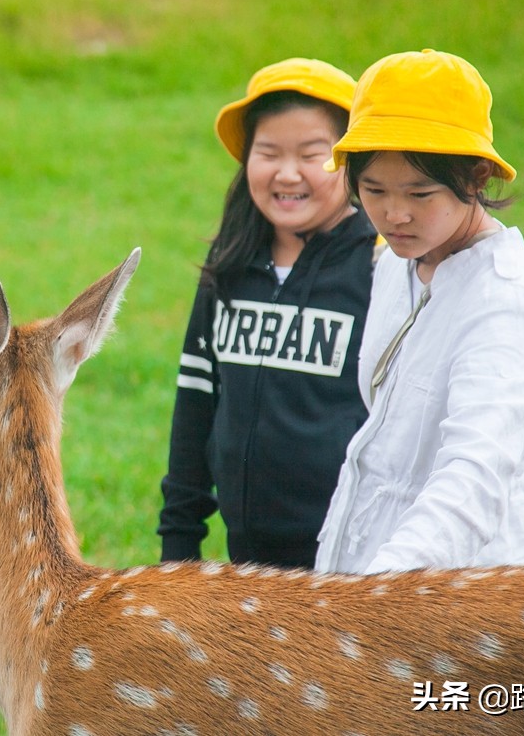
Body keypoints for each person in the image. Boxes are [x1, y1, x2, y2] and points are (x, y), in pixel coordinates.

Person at [314, 49, 524, 574]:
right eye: (373, 190)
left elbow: (476, 475)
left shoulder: (502, 298)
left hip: (451, 610)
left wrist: (380, 590)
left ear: (476, 177)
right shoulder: (397, 261)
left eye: (420, 193)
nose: (393, 214)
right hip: (362, 587)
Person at [158, 58, 378, 568]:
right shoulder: (228, 265)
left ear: (351, 161)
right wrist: (179, 544)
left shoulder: (380, 268)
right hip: (248, 567)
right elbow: (193, 410)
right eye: (268, 153)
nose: (286, 173)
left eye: (312, 155)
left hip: (353, 566)